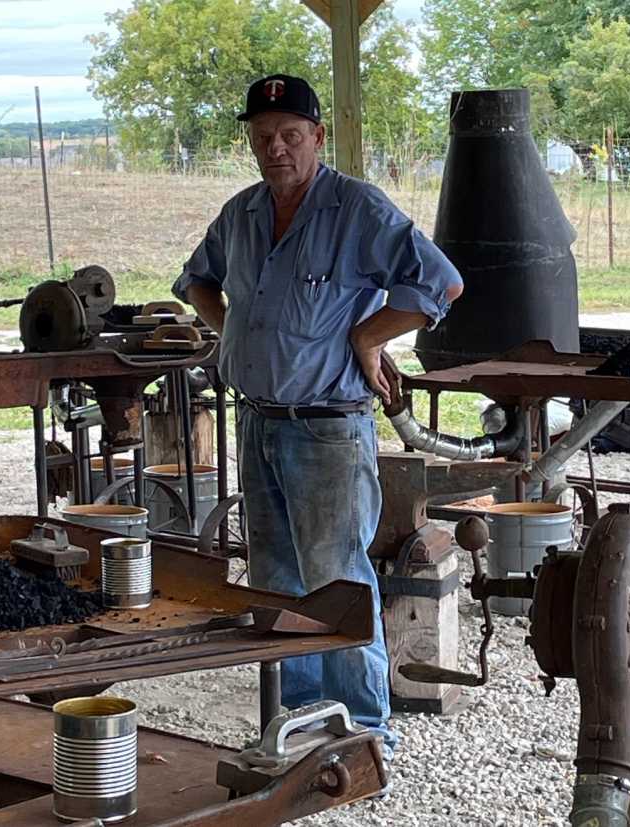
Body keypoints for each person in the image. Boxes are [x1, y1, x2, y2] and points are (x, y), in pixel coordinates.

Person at [172, 74, 463, 753]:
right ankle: (298, 718)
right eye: (263, 136)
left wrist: (368, 337)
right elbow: (196, 280)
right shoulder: (241, 214)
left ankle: (363, 730)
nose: (276, 149)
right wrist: (231, 329)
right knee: (275, 578)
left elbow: (440, 281)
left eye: (291, 136)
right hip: (257, 421)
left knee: (338, 575)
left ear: (318, 138)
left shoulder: (356, 210)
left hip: (329, 426)